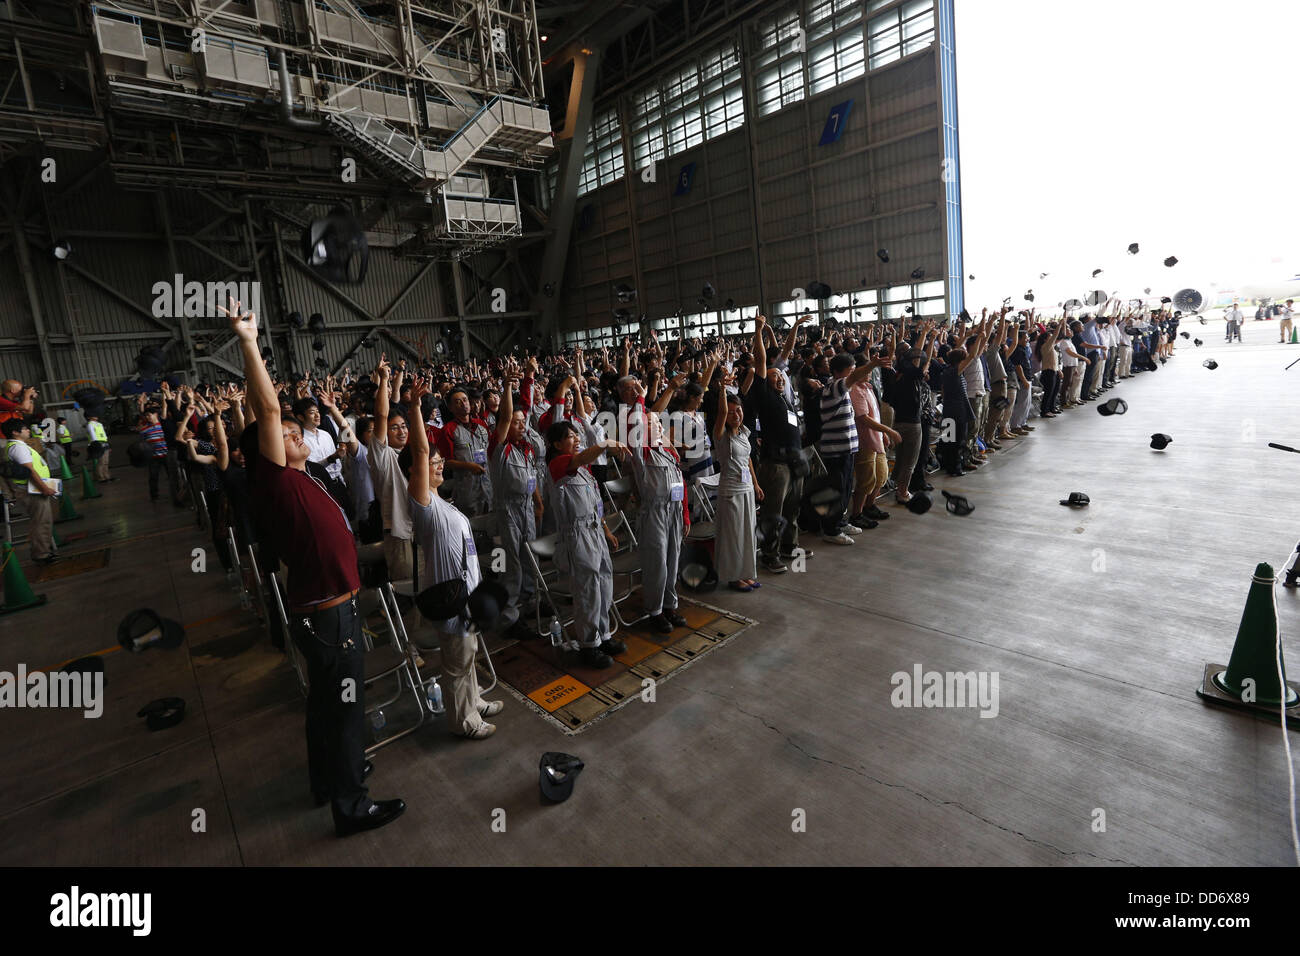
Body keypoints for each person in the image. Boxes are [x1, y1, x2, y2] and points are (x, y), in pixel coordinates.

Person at [222, 297, 404, 839]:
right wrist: (249, 342)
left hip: (323, 611)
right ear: (269, 451)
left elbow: (265, 420)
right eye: (287, 436)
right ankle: (352, 805)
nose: (300, 435)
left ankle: (326, 779)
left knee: (326, 705)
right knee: (347, 712)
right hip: (329, 616)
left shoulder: (300, 477)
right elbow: (267, 414)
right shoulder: (275, 481)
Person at [402, 377, 505, 739]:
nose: (439, 462)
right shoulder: (423, 504)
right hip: (450, 596)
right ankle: (463, 721)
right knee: (456, 662)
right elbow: (417, 452)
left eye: (438, 459)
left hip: (467, 595)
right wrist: (415, 408)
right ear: (415, 472)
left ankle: (474, 702)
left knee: (468, 653)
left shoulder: (442, 500)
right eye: (433, 461)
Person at [544, 419, 629, 668]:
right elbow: (580, 459)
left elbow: (595, 504)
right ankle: (588, 645)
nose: (577, 439)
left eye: (577, 435)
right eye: (571, 437)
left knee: (603, 584)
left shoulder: (584, 470)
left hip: (594, 531)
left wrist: (605, 530)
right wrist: (605, 443)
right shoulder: (559, 464)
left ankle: (603, 637)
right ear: (558, 444)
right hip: (577, 534)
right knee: (587, 590)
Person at [626, 399, 688, 633]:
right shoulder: (643, 455)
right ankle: (655, 611)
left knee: (673, 561)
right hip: (654, 513)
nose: (660, 426)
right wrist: (641, 400)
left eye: (659, 423)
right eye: (653, 423)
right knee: (657, 564)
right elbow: (635, 430)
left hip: (674, 512)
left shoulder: (668, 453)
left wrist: (686, 516)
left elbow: (680, 484)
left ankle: (670, 605)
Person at [489, 361, 542, 625]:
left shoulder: (526, 448)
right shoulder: (499, 450)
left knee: (528, 556)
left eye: (523, 422)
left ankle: (530, 602)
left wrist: (538, 502)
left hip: (527, 508)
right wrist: (508, 386)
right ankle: (509, 616)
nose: (521, 425)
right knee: (510, 563)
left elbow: (531, 480)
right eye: (516, 422)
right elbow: (507, 416)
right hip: (507, 511)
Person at [713, 387, 762, 585]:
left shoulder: (744, 432)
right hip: (730, 491)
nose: (735, 415)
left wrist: (756, 484)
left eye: (738, 410)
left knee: (747, 533)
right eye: (731, 412)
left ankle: (745, 573)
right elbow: (722, 412)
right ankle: (733, 577)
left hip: (747, 489)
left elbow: (747, 460)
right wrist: (722, 388)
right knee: (733, 535)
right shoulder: (721, 434)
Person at [3, 418, 57, 564]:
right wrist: (44, 488)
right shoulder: (18, 447)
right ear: (15, 432)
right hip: (31, 490)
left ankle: (43, 550)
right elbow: (30, 471)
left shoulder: (16, 446)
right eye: (25, 428)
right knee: (41, 522)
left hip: (32, 488)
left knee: (41, 521)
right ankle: (41, 554)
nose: (28, 430)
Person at [436, 386, 493, 517]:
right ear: (450, 407)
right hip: (467, 488)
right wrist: (468, 466)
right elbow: (447, 462)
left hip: (488, 484)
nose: (463, 404)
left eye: (465, 400)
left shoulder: (481, 425)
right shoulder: (448, 430)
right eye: (458, 402)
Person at [84, 412, 111, 482]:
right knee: (101, 462)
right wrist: (96, 444)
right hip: (97, 444)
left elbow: (104, 434)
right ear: (88, 417)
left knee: (106, 461)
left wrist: (107, 444)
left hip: (104, 443)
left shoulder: (99, 424)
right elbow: (93, 435)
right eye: (94, 414)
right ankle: (100, 478)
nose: (96, 416)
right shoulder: (90, 424)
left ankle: (107, 476)